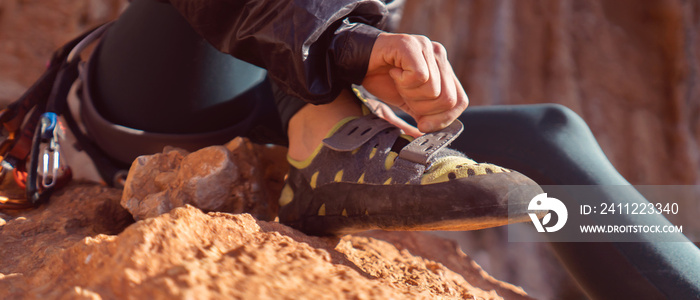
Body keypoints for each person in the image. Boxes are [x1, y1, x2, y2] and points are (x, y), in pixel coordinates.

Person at [71, 0, 700, 298]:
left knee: (550, 134)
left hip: (289, 96)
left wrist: (375, 69)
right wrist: (344, 42)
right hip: (165, 89)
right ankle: (325, 146)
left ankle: (327, 155)